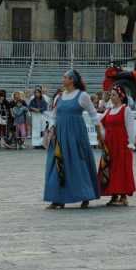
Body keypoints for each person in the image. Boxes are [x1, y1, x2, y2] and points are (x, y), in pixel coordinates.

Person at [44, 69, 102, 209]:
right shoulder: (60, 96)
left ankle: (85, 195)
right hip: (60, 135)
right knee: (57, 164)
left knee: (78, 164)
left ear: (72, 80)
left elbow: (94, 115)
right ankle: (58, 198)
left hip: (76, 135)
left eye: (65, 77)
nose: (63, 80)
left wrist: (100, 133)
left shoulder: (83, 96)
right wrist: (51, 130)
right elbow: (53, 115)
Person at [97, 85, 136, 207]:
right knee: (110, 168)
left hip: (121, 145)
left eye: (114, 95)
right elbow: (99, 122)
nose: (112, 97)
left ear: (120, 96)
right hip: (110, 145)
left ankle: (123, 196)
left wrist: (131, 143)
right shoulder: (108, 111)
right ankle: (114, 194)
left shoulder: (126, 110)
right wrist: (101, 138)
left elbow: (130, 128)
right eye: (111, 95)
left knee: (121, 169)